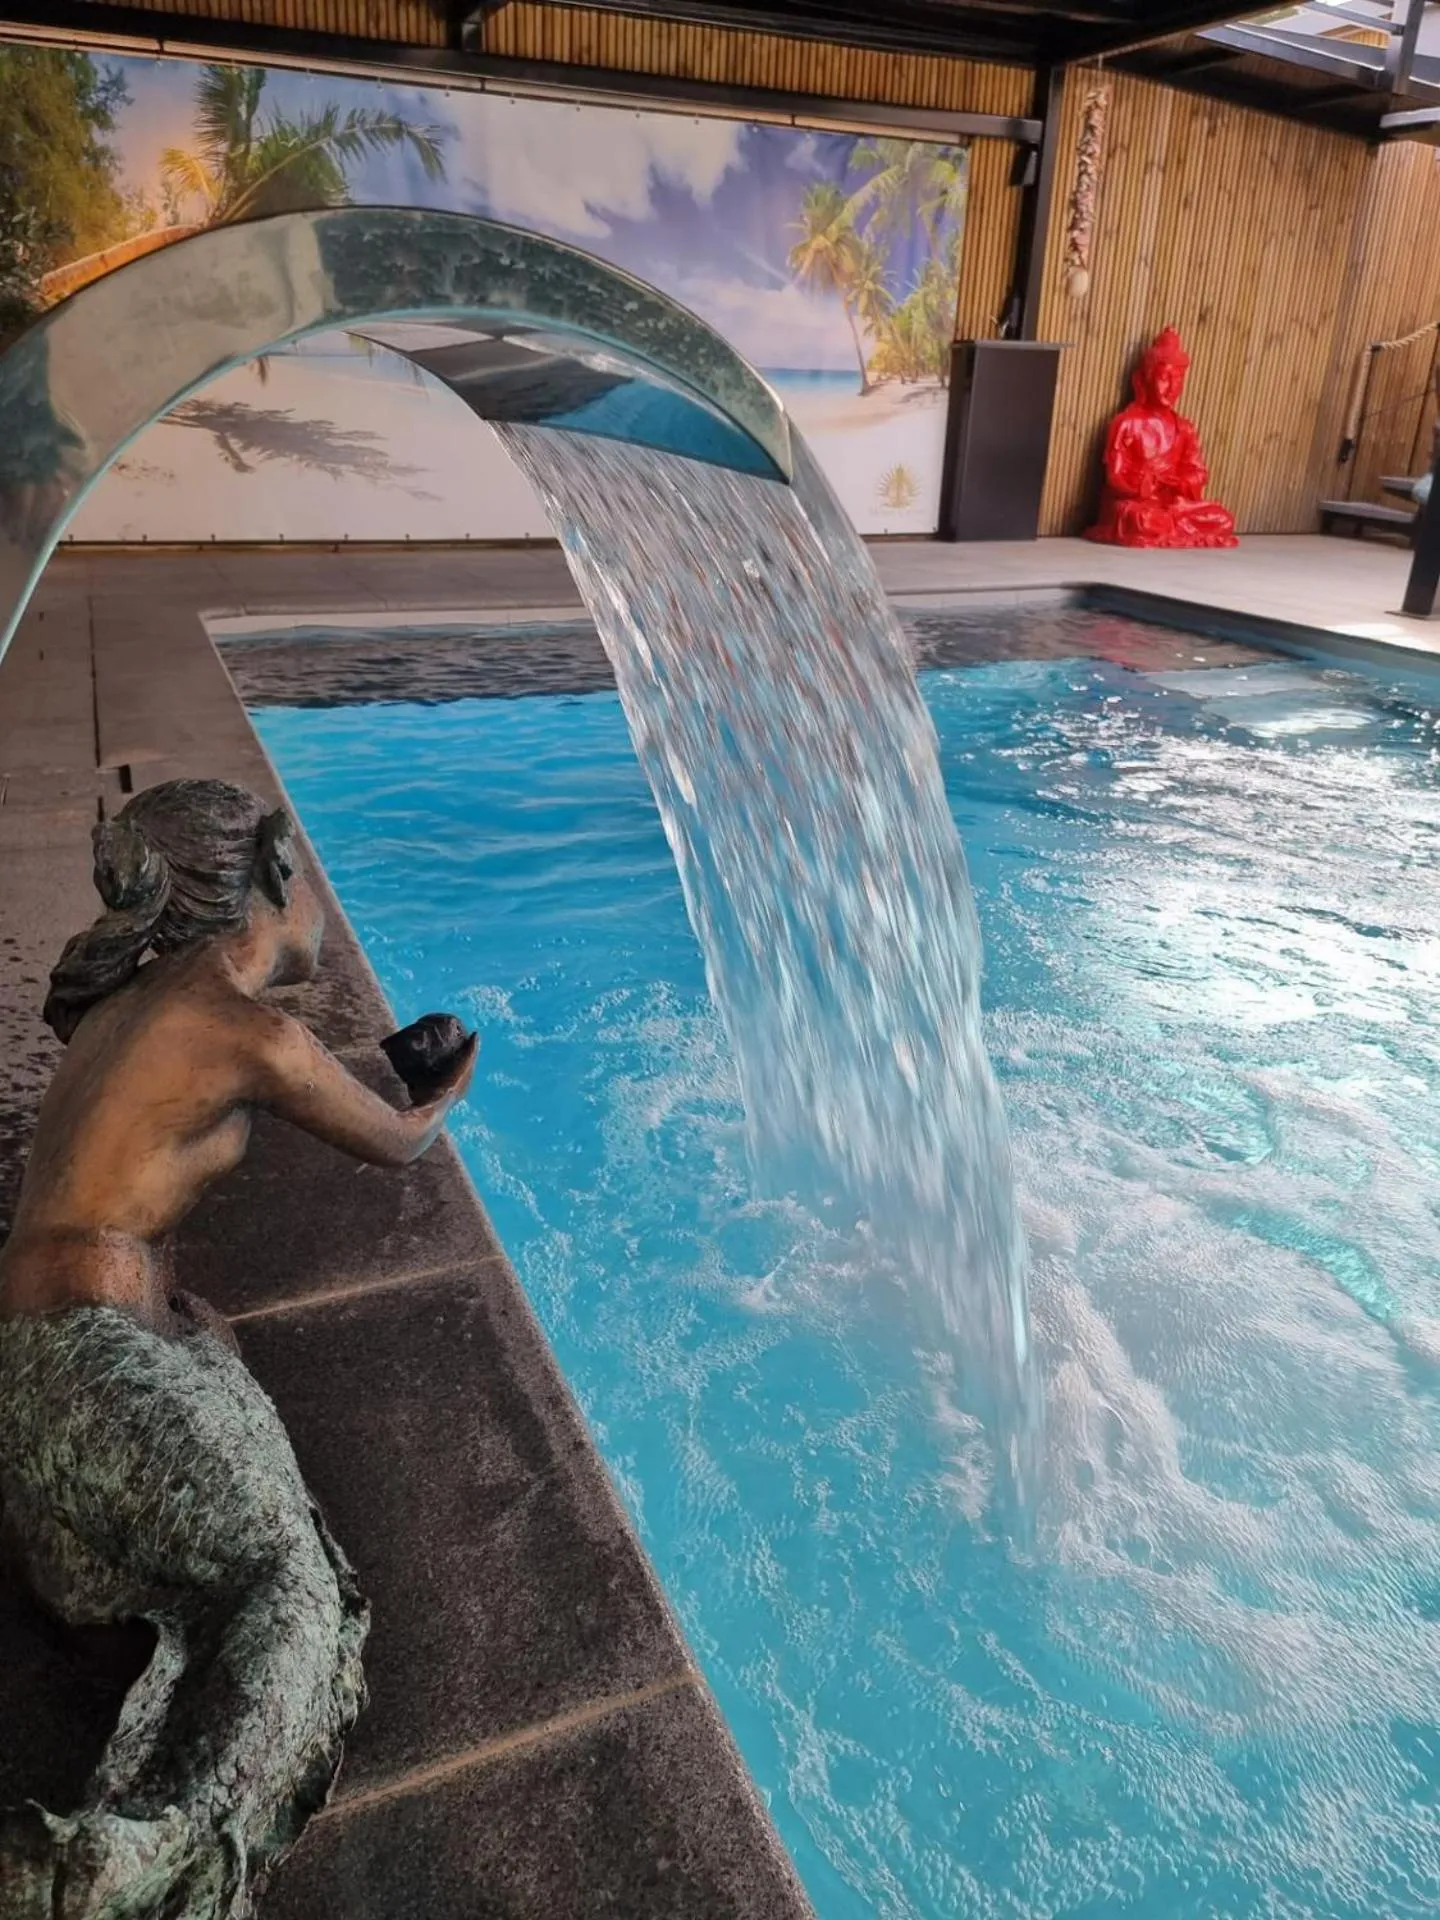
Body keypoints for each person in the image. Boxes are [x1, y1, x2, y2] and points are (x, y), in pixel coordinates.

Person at [0, 779, 476, 1920]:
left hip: (42, 1362)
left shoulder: (144, 1002)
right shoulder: (239, 1024)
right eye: (305, 867)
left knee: (239, 1471)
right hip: (75, 1367)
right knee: (295, 1592)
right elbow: (398, 1141)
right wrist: (444, 1086)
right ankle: (111, 1863)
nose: (317, 894)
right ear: (269, 874)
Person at [1085, 326, 1238, 550]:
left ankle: (1167, 524)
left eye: (1179, 379)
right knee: (1140, 519)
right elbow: (1115, 477)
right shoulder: (1127, 423)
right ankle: (1163, 524)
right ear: (1146, 378)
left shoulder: (1184, 428)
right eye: (1165, 377)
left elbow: (1197, 472)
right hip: (1137, 504)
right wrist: (1142, 485)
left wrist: (1180, 482)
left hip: (1173, 505)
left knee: (1222, 518)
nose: (1172, 387)